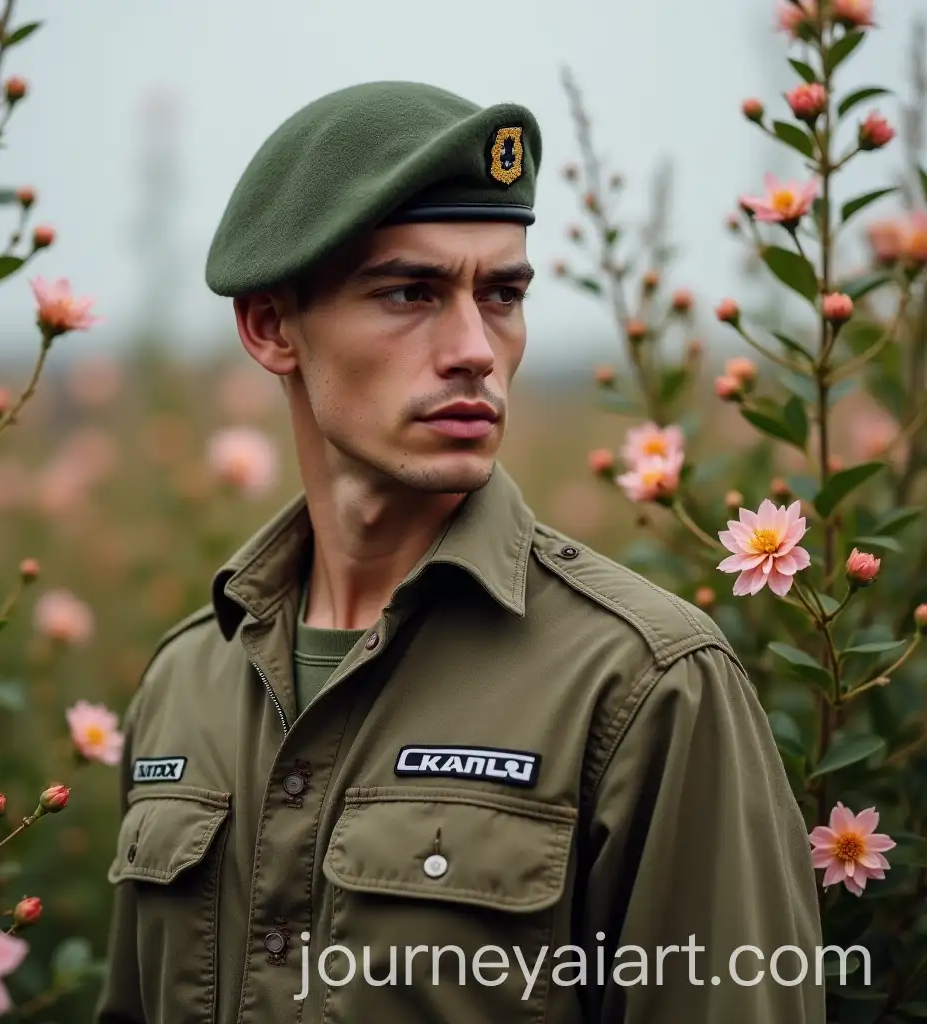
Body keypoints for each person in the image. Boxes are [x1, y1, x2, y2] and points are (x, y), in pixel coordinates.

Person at [94, 80, 825, 1024]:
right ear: (272, 326)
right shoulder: (187, 679)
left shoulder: (645, 683)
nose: (476, 348)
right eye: (411, 292)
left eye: (503, 293)